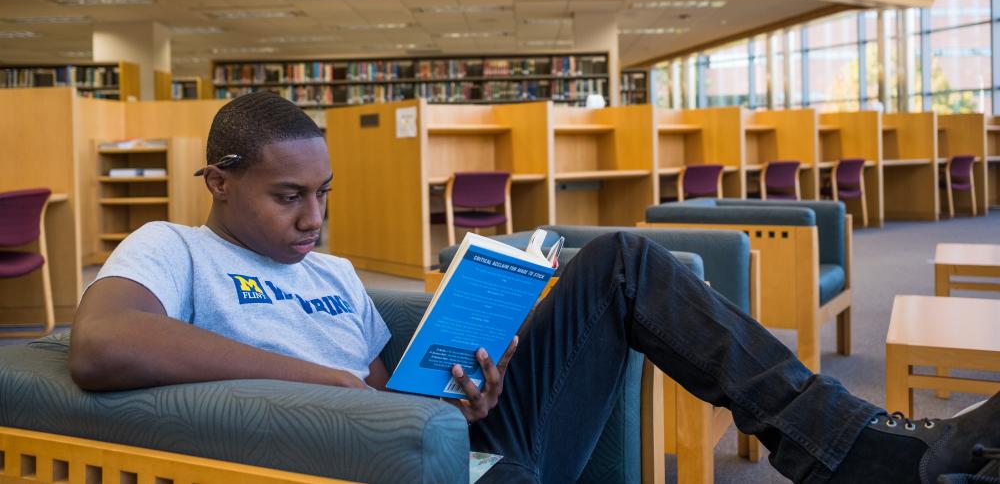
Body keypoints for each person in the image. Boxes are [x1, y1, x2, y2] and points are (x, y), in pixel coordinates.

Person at [69, 92, 999, 484]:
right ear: (218, 181)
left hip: (447, 444)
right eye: (287, 196)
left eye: (323, 195)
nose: (313, 218)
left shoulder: (335, 274)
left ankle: (838, 441)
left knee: (624, 262)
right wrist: (335, 387)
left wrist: (478, 384)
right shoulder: (172, 248)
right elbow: (106, 345)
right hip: (365, 462)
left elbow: (399, 386)